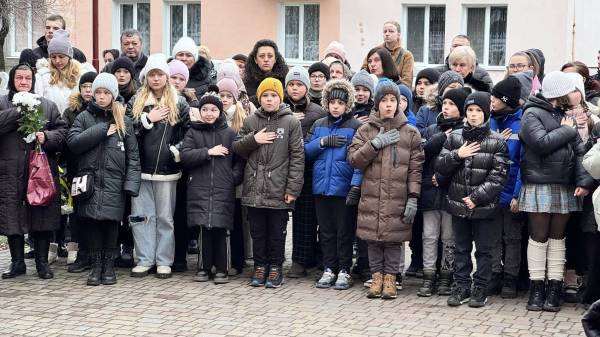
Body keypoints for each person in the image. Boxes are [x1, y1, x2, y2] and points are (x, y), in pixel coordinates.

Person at [518, 71, 594, 312]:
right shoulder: (531, 113)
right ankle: (536, 287)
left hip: (565, 184)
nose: (574, 94)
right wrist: (568, 130)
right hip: (539, 183)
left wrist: (584, 181)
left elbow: (581, 151)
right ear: (558, 92)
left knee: (558, 238)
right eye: (570, 90)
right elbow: (540, 144)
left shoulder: (565, 115)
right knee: (538, 237)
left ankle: (554, 287)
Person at [348, 79, 424, 299]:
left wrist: (413, 197)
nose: (389, 105)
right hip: (372, 196)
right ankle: (377, 277)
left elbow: (415, 169)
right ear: (376, 103)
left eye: (393, 100)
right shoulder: (365, 130)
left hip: (397, 197)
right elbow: (354, 160)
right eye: (384, 100)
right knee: (373, 239)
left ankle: (390, 278)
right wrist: (374, 144)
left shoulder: (411, 133)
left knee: (392, 240)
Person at [436, 92, 509, 308]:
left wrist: (476, 198)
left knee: (484, 249)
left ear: (486, 113)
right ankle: (461, 286)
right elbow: (440, 165)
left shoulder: (497, 141)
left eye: (478, 110)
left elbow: (498, 177)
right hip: (458, 205)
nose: (474, 114)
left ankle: (480, 287)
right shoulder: (455, 137)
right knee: (461, 248)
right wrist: (457, 154)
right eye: (470, 110)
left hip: (484, 206)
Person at [67, 73, 140, 286]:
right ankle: (96, 266)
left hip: (114, 182)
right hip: (89, 182)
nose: (100, 96)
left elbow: (133, 157)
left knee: (110, 224)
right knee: (91, 224)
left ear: (113, 95)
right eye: (98, 92)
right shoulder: (84, 117)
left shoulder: (123, 120)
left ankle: (109, 266)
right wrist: (101, 130)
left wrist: (131, 184)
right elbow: (73, 143)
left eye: (106, 93)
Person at [232, 77, 304, 288]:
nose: (269, 100)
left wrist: (292, 189)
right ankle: (260, 266)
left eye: (273, 95)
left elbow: (298, 157)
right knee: (258, 231)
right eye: (265, 96)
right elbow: (237, 147)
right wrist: (254, 140)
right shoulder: (250, 121)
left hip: (279, 188)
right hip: (255, 189)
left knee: (276, 232)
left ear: (279, 98)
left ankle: (275, 267)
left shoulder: (290, 122)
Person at [0, 63, 67, 280]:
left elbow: (63, 132)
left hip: (40, 172)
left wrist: (46, 137)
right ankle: (17, 262)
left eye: (27, 78)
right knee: (13, 217)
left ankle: (42, 263)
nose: (23, 82)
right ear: (12, 80)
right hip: (10, 171)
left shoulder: (46, 105)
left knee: (41, 216)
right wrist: (18, 110)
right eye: (19, 78)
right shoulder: (3, 103)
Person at [126, 54, 190, 279]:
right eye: (152, 74)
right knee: (141, 216)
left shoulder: (179, 102)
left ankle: (164, 260)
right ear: (146, 77)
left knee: (165, 217)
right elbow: (128, 131)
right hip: (140, 168)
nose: (155, 78)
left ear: (167, 77)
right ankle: (144, 258)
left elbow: (189, 132)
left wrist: (177, 150)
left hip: (167, 170)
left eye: (160, 74)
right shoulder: (136, 101)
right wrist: (147, 119)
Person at [180, 92, 244, 284]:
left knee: (221, 228)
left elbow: (239, 160)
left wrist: (232, 178)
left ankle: (222, 269)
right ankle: (203, 267)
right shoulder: (193, 132)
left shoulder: (230, 133)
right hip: (200, 188)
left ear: (220, 111)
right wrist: (208, 152)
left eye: (213, 109)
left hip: (223, 188)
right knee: (204, 229)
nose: (209, 113)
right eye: (205, 109)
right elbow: (186, 155)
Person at [305, 79, 361, 290]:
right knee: (326, 231)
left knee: (344, 231)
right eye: (332, 102)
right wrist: (322, 143)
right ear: (326, 103)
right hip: (321, 187)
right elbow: (305, 151)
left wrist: (355, 186)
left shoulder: (355, 126)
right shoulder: (319, 125)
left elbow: (359, 160)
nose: (336, 106)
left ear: (348, 105)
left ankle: (345, 269)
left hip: (343, 188)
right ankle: (329, 268)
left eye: (340, 103)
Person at [417, 88, 468, 297]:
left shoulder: (465, 131)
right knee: (429, 235)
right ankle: (428, 275)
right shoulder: (431, 130)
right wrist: (440, 138)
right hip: (430, 190)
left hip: (451, 192)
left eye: (452, 105)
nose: (446, 108)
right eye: (444, 104)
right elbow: (422, 154)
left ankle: (447, 276)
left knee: (449, 237)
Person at [283, 66, 326, 278]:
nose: (295, 88)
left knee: (307, 218)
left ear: (307, 88)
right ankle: (289, 259)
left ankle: (306, 260)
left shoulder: (317, 112)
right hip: (283, 169)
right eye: (291, 84)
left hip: (309, 171)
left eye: (299, 84)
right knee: (288, 218)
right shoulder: (279, 108)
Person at [487, 76, 525, 298]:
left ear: (506, 100)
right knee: (492, 236)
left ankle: (510, 277)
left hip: (511, 190)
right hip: (491, 190)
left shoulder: (521, 124)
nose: (491, 100)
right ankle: (494, 274)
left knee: (512, 238)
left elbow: (523, 162)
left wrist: (518, 194)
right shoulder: (490, 121)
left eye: (496, 97)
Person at [61, 71, 97, 272]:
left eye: (92, 87)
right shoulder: (71, 112)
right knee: (79, 213)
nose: (88, 91)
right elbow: (68, 140)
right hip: (77, 168)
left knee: (95, 212)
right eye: (85, 87)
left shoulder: (104, 110)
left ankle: (96, 253)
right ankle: (82, 253)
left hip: (98, 168)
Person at [217, 77, 250, 275]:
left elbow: (243, 153)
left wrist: (234, 176)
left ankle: (238, 261)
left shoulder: (242, 119)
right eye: (221, 95)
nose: (224, 99)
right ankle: (222, 259)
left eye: (228, 96)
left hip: (236, 180)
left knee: (237, 222)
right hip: (218, 180)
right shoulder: (211, 114)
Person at [35, 29, 93, 114]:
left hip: (75, 124)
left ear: (69, 56)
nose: (57, 61)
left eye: (61, 56)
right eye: (53, 57)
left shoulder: (82, 74)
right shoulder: (42, 76)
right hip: (50, 124)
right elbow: (38, 103)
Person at [362, 21, 414, 86]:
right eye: (385, 31)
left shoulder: (406, 55)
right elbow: (363, 72)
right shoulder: (374, 52)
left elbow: (407, 82)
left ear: (398, 34)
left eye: (391, 31)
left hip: (396, 92)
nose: (387, 34)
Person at [243, 40, 289, 104]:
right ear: (255, 60)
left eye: (270, 56)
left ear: (275, 59)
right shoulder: (247, 82)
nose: (266, 59)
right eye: (262, 56)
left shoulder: (285, 80)